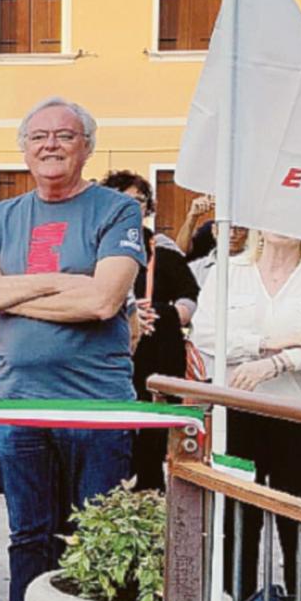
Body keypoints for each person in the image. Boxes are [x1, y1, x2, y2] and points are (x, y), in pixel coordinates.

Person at [0, 97, 145, 601]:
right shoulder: (1, 216)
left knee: (94, 533)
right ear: (23, 147)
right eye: (38, 135)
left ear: (86, 146)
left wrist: (17, 289)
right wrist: (59, 281)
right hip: (19, 404)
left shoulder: (115, 209)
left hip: (97, 406)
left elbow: (103, 301)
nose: (50, 145)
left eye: (64, 135)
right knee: (29, 534)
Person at [192, 230, 301, 601]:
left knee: (300, 528)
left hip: (297, 417)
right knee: (237, 526)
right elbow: (206, 333)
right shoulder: (230, 270)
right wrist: (266, 343)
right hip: (237, 415)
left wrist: (276, 364)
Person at [99, 171, 200, 492]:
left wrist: (164, 313)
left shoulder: (163, 250)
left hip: (157, 353)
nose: (132, 207)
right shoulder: (92, 245)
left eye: (139, 201)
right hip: (107, 356)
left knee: (153, 428)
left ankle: (151, 495)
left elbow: (191, 297)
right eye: (123, 200)